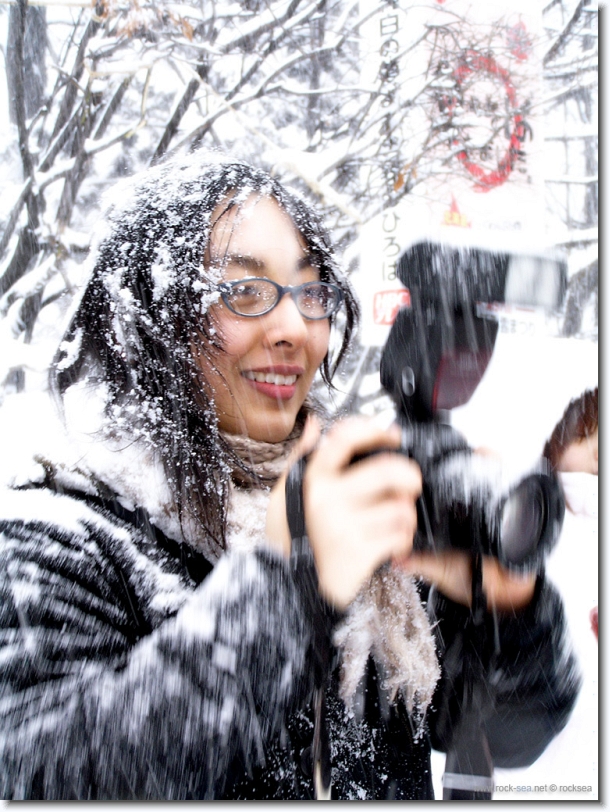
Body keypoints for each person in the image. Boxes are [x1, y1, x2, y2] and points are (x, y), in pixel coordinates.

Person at [0, 153, 578, 800]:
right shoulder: (55, 538)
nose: (292, 329)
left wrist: (506, 607)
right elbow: (40, 775)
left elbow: (508, 736)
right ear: (147, 318)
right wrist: (287, 590)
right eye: (243, 293)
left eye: (310, 293)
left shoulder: (360, 502)